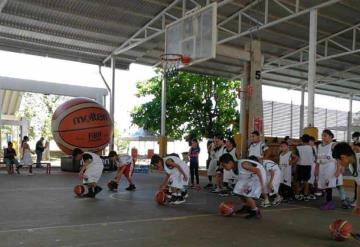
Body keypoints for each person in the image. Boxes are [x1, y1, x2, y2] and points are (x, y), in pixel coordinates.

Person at [219, 154, 266, 219]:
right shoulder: (234, 166)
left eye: (224, 166)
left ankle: (255, 211)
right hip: (250, 176)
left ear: (230, 162)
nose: (224, 168)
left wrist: (262, 185)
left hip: (258, 176)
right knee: (237, 190)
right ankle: (246, 207)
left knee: (246, 194)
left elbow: (258, 170)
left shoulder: (243, 164)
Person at [315, 129, 348, 210]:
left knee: (337, 184)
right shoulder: (320, 146)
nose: (323, 137)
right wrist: (317, 168)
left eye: (325, 135)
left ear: (330, 136)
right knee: (327, 186)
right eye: (322, 135)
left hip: (332, 167)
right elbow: (318, 158)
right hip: (323, 168)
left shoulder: (333, 145)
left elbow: (339, 158)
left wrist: (338, 169)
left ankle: (342, 201)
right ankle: (328, 201)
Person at [331, 142, 360, 216]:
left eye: (338, 161)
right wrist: (358, 205)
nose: (339, 164)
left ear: (343, 157)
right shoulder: (351, 165)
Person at [292, 134, 316, 201]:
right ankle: (306, 195)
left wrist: (292, 155)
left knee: (298, 180)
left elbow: (296, 157)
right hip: (308, 166)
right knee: (306, 181)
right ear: (309, 141)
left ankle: (297, 194)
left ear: (302, 140)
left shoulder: (298, 147)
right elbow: (314, 157)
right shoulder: (312, 148)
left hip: (300, 165)